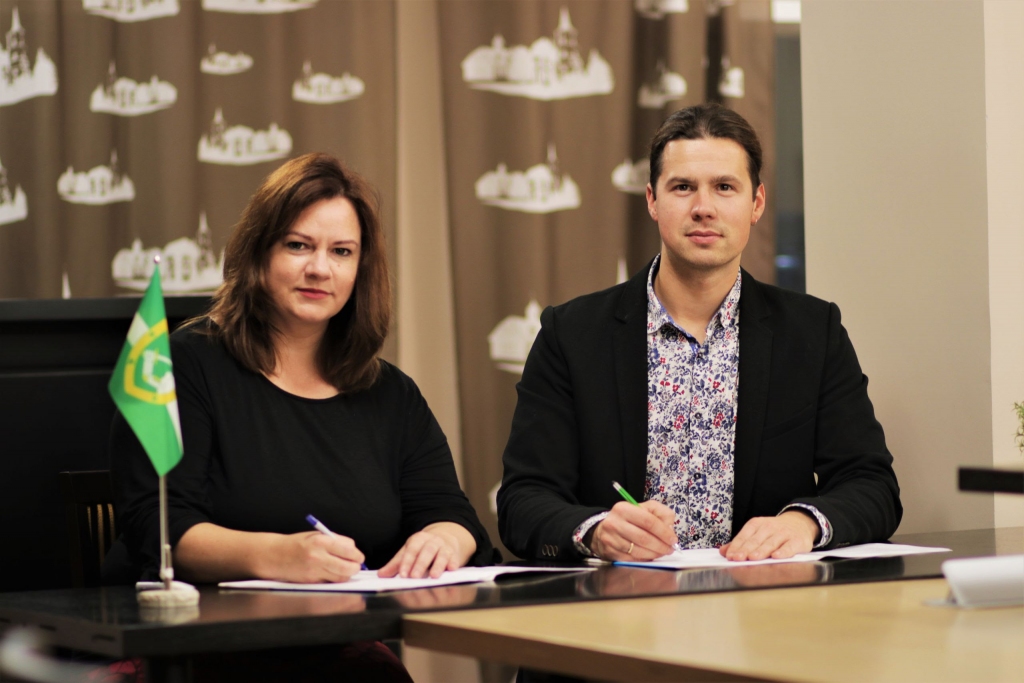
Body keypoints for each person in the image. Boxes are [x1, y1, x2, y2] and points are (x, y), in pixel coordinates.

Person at [107, 153, 496, 680]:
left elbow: (453, 513)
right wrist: (278, 555)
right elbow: (158, 526)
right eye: (298, 245)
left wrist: (446, 538)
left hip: (332, 650)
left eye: (342, 251)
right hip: (191, 648)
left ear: (361, 270)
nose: (320, 269)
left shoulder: (390, 393)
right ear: (258, 253)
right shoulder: (185, 364)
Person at [498, 104, 902, 566]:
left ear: (757, 203)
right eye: (683, 187)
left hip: (765, 597)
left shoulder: (812, 332)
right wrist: (595, 531)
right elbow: (523, 500)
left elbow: (872, 485)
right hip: (619, 597)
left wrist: (802, 523)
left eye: (725, 187)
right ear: (652, 200)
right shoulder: (571, 335)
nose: (703, 208)